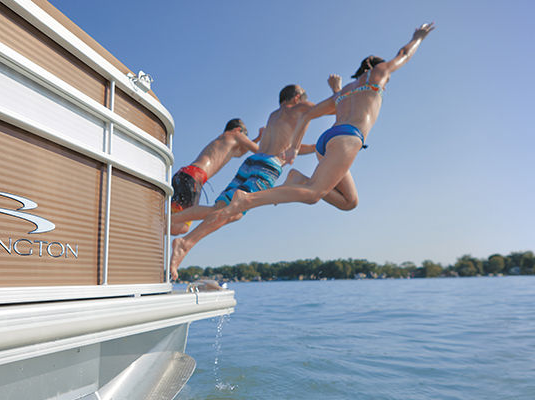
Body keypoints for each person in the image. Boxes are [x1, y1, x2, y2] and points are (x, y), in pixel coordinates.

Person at [174, 22, 435, 269]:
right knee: (312, 194)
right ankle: (247, 200)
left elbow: (312, 115)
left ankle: (296, 179)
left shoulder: (341, 94)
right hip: (347, 138)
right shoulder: (378, 75)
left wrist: (297, 147)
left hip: (325, 143)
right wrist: (418, 38)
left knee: (349, 202)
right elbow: (403, 55)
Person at [169, 82, 338, 280]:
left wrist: (314, 147)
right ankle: (185, 244)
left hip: (251, 163)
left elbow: (286, 147)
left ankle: (170, 221)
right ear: (297, 97)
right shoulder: (300, 107)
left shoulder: (273, 116)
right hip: (268, 166)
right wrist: (336, 89)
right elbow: (334, 105)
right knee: (235, 211)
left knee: (221, 209)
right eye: (304, 96)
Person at [170, 118, 260, 235]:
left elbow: (240, 153)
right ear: (238, 129)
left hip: (184, 175)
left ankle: (151, 224)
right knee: (182, 226)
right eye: (245, 135)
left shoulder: (224, 140)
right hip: (194, 177)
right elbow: (257, 150)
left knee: (174, 223)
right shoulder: (236, 134)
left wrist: (257, 138)